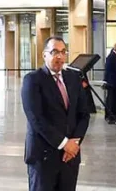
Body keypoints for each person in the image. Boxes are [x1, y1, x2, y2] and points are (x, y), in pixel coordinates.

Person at [21, 36, 92, 191]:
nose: (59, 56)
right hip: (43, 157)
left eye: (63, 52)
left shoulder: (74, 78)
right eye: (54, 52)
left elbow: (83, 114)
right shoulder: (33, 80)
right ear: (44, 55)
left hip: (70, 157)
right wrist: (64, 144)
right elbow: (36, 119)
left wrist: (74, 142)